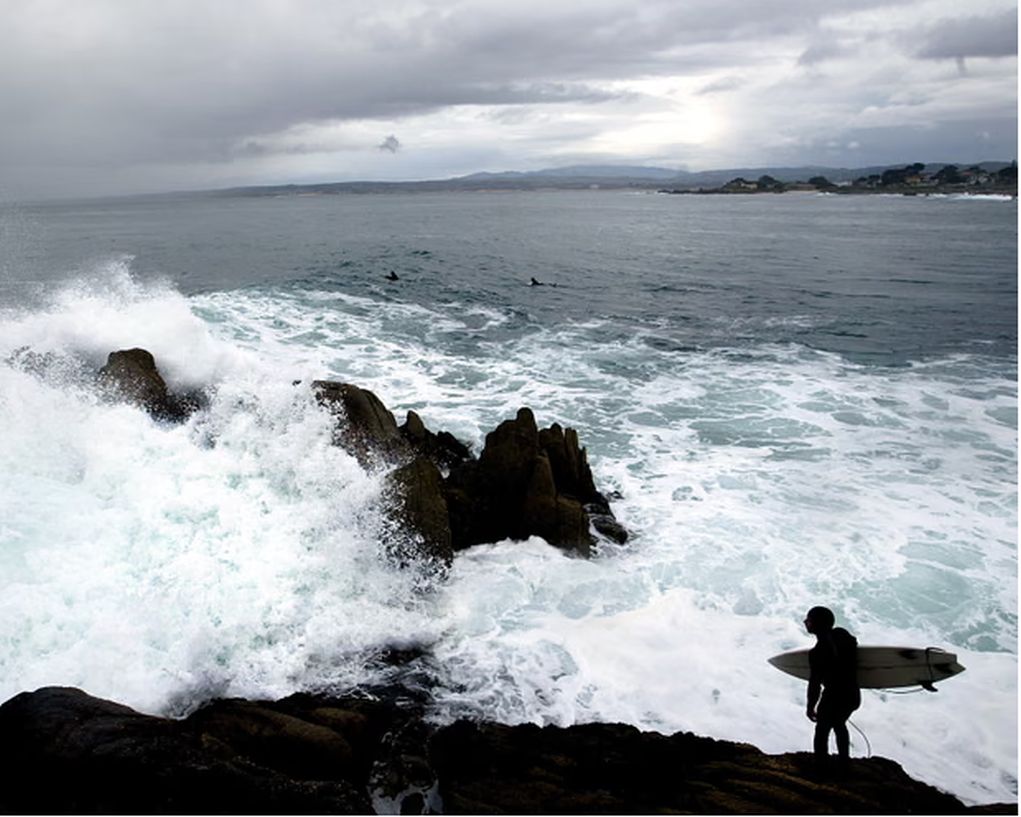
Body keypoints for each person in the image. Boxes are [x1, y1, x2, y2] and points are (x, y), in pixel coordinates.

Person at [804, 606, 860, 770]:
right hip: (852, 694)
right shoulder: (843, 636)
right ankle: (844, 762)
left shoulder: (816, 653)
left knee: (822, 730)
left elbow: (814, 684)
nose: (805, 622)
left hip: (834, 696)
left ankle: (820, 765)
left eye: (808, 620)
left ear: (815, 624)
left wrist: (810, 707)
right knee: (839, 724)